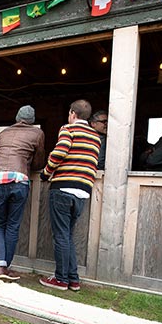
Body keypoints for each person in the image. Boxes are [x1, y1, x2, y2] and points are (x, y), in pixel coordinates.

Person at [39, 100, 101, 292]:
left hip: (64, 187)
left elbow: (59, 153)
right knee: (68, 236)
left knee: (61, 236)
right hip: (83, 192)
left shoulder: (68, 129)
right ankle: (73, 280)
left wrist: (46, 172)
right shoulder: (96, 136)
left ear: (73, 113)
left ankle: (60, 279)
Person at [0, 105, 45, 281]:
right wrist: (32, 166)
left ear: (17, 117)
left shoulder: (3, 133)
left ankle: (0, 268)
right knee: (12, 225)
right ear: (32, 120)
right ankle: (6, 267)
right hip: (19, 179)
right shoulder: (37, 134)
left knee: (0, 224)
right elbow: (39, 160)